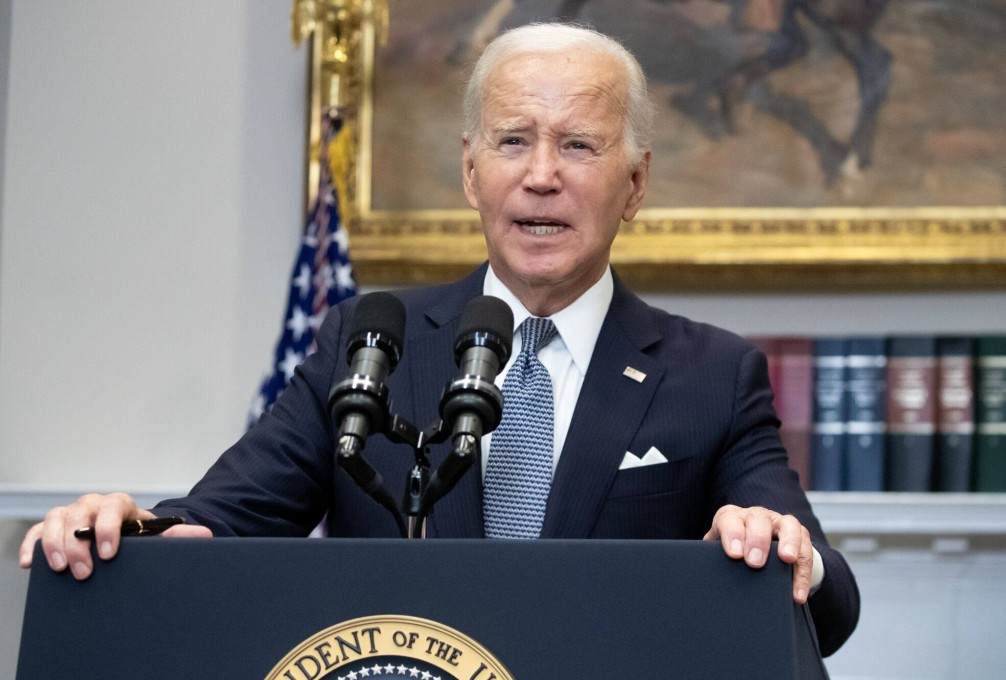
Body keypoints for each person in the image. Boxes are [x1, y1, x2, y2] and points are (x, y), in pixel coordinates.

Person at [20, 22, 859, 655]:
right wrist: (131, 532)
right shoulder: (366, 344)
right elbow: (218, 524)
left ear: (634, 183)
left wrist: (787, 551)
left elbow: (831, 603)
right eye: (512, 141)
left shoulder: (713, 374)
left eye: (578, 145)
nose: (541, 175)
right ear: (470, 171)